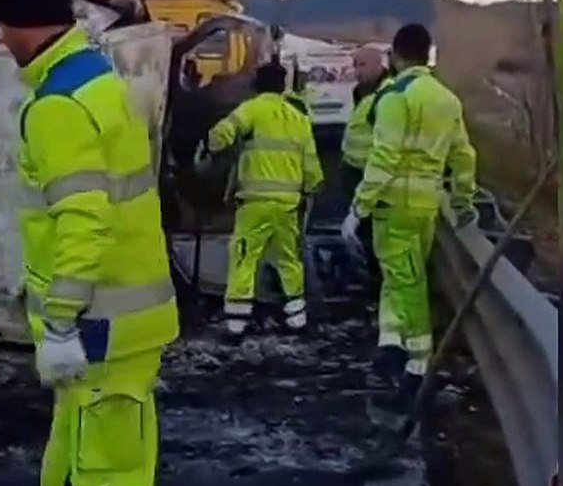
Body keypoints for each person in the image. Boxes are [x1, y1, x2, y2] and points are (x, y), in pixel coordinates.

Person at [0, 0, 178, 486]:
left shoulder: (58, 106)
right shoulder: (98, 78)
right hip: (126, 312)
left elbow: (84, 220)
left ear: (23, 27)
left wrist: (62, 320)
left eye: (2, 27)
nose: (0, 39)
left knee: (109, 469)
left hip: (100, 322)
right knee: (77, 433)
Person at [341, 24, 477, 401]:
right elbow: (463, 156)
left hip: (394, 207)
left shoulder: (395, 97)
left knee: (408, 283)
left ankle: (417, 364)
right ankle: (391, 345)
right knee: (398, 276)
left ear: (396, 56)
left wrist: (358, 208)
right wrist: (463, 201)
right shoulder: (447, 99)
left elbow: (384, 158)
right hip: (426, 205)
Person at [200, 61, 324, 335]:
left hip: (255, 202)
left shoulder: (251, 109)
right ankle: (297, 317)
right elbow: (312, 164)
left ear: (256, 84)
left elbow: (221, 135)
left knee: (244, 257)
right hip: (288, 205)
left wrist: (209, 146)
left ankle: (236, 322)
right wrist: (311, 188)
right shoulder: (298, 118)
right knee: (288, 260)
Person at [339, 45, 397, 290]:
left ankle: (375, 279)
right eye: (355, 66)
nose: (357, 71)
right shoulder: (360, 91)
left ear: (377, 64)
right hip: (355, 169)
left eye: (362, 65)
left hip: (373, 172)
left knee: (372, 229)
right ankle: (366, 273)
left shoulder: (388, 94)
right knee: (361, 228)